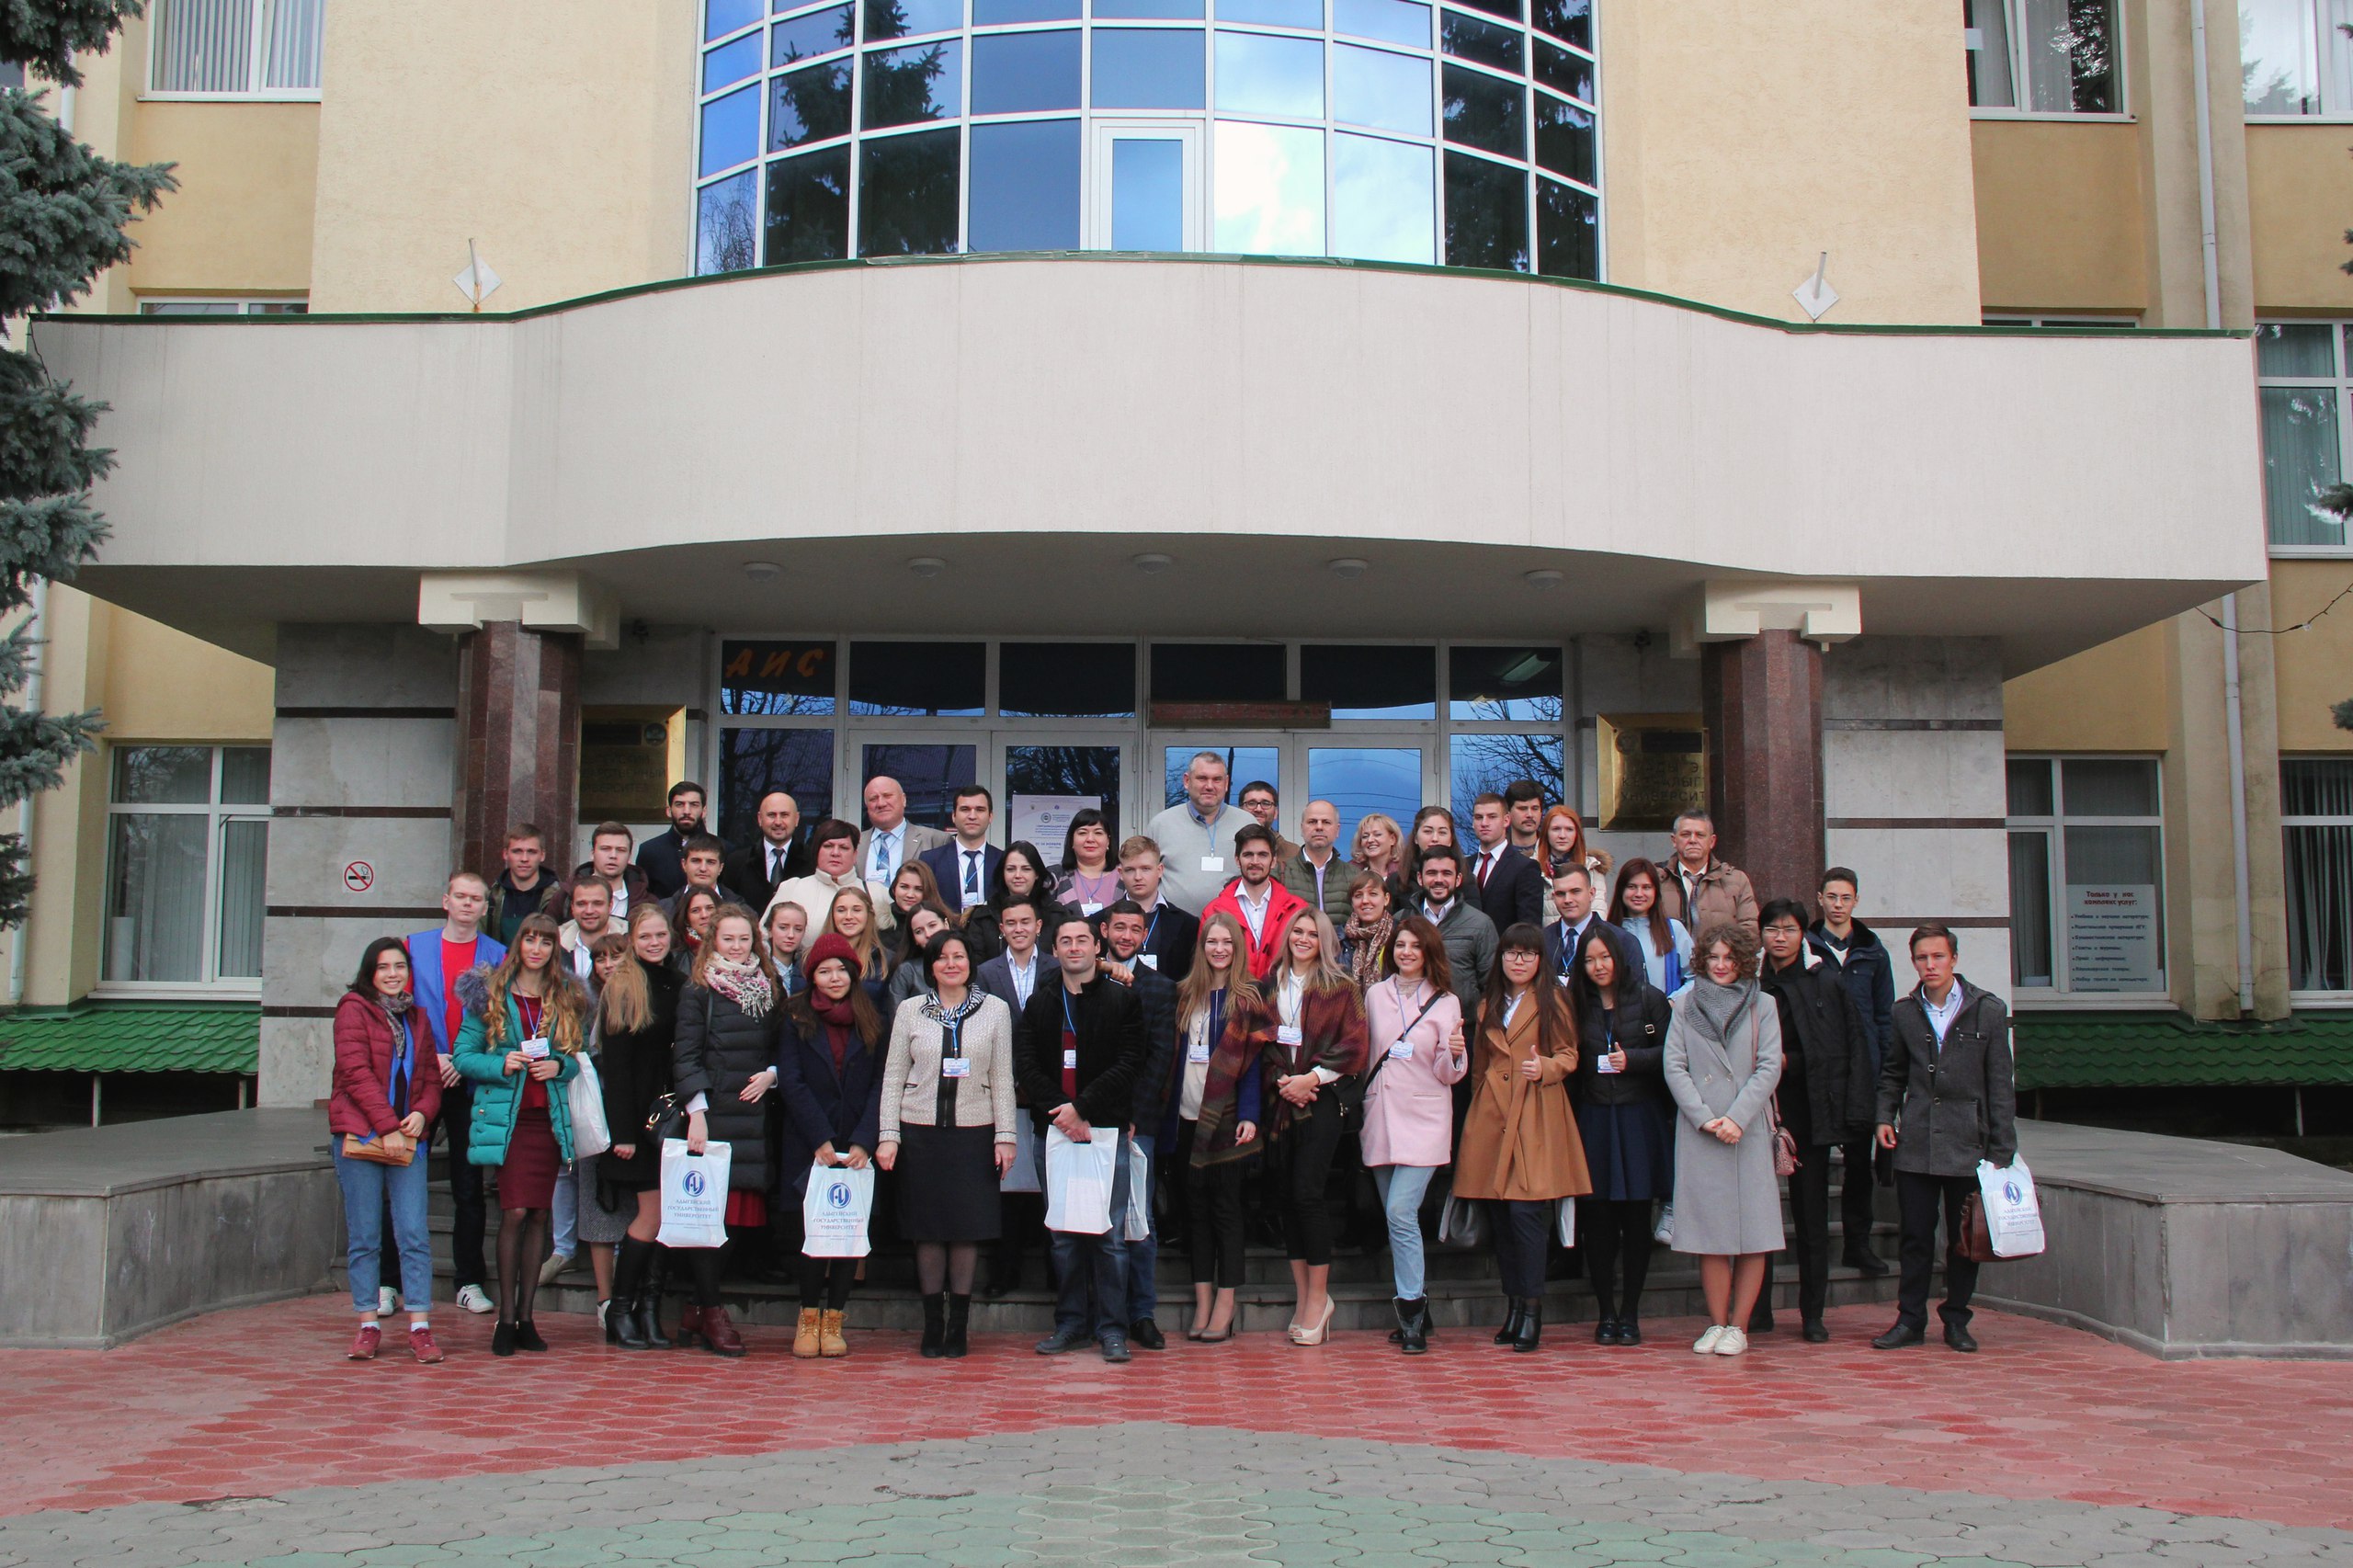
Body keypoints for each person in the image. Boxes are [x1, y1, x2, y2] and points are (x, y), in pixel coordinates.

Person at [1871, 925, 2017, 1355]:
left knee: (1964, 1237)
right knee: (1915, 1235)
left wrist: (2001, 1150)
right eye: (1921, 958)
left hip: (1968, 1141)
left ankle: (1956, 1318)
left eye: (1937, 957)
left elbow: (2000, 1084)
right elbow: (1893, 1072)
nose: (1930, 965)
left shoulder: (1987, 1009)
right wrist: (1884, 1116)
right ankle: (1910, 1319)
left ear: (1954, 959)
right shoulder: (1904, 1012)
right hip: (1916, 1139)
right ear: (1913, 962)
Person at [1015, 912, 1150, 1362]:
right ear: (1054, 951)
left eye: (1082, 940)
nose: (1074, 947)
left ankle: (1112, 1328)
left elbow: (1130, 1062)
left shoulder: (1122, 1001)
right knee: (1063, 1235)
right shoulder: (1041, 1003)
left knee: (1109, 1236)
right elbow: (1027, 1065)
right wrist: (1062, 1112)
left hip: (1105, 1131)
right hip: (1053, 1133)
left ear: (1098, 947)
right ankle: (1071, 1324)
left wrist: (1084, 1108)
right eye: (1065, 941)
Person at [451, 914, 587, 1357]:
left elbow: (576, 1055)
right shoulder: (489, 992)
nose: (537, 948)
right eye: (529, 939)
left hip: (547, 1120)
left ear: (554, 949)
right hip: (508, 1120)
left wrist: (560, 1067)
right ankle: (505, 1319)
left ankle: (528, 1318)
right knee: (513, 1211)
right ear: (518, 944)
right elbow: (463, 1055)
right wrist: (501, 1063)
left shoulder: (564, 995)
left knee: (540, 1216)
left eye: (545, 942)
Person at [879, 929, 1018, 1359]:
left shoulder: (994, 1010)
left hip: (975, 1132)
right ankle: (932, 1323)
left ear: (970, 963)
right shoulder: (910, 1010)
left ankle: (959, 1323)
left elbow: (1001, 1078)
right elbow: (892, 1077)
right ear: (931, 965)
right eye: (942, 958)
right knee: (928, 1229)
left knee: (965, 1229)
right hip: (920, 1131)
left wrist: (1006, 1136)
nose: (951, 964)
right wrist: (888, 1135)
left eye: (959, 956)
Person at [1454, 923, 1588, 1353]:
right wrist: (1477, 1108)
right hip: (1492, 1114)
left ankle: (1532, 1310)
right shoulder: (1489, 1002)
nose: (1518, 961)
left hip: (1534, 1111)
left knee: (1527, 1217)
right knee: (1501, 1221)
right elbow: (1479, 1065)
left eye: (1528, 954)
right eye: (1512, 953)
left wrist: (1545, 1069)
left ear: (1539, 959)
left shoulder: (1553, 998)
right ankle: (1513, 1306)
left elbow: (1570, 1054)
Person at [1757, 898, 1878, 1342]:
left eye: (1789, 929)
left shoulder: (1825, 982)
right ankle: (1758, 1309)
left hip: (1808, 1110)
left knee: (1810, 1219)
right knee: (1759, 1217)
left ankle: (1812, 1313)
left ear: (1802, 934)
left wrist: (1787, 1062)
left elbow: (1841, 1049)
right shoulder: (1751, 982)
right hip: (1757, 1113)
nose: (1780, 937)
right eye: (1772, 928)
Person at [1663, 923, 1784, 1358]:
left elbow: (1769, 1066)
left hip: (1747, 1128)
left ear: (1744, 961)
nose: (1721, 965)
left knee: (1754, 1231)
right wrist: (1704, 1118)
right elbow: (1673, 1065)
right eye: (1713, 957)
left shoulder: (1763, 1005)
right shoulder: (1684, 1004)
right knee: (1709, 1231)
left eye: (1730, 958)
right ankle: (1716, 1323)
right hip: (1702, 1132)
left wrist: (1737, 1117)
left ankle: (1740, 1326)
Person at [673, 903, 786, 1358]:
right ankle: (713, 1311)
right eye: (728, 940)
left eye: (744, 940)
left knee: (737, 1221)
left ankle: (697, 1308)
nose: (738, 948)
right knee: (709, 1221)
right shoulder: (698, 990)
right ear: (711, 942)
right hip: (713, 1117)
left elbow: (783, 1046)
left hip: (755, 1118)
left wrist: (773, 1074)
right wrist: (695, 1112)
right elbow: (685, 1056)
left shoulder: (768, 987)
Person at [329, 937, 443, 1363]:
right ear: (369, 972)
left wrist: (422, 1115)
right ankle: (368, 1325)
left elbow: (430, 1077)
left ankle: (420, 1327)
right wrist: (387, 1125)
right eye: (384, 967)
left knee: (413, 1232)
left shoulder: (417, 1016)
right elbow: (355, 1074)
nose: (393, 974)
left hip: (407, 1138)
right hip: (360, 1136)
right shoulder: (352, 1009)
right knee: (365, 1237)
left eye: (400, 966)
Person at [1358, 915, 1467, 1355]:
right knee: (1395, 1217)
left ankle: (1412, 1313)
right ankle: (1417, 1303)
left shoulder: (1446, 1002)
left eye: (1414, 946)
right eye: (1400, 945)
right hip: (1381, 1116)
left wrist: (1454, 1054)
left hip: (1424, 1118)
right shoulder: (1374, 995)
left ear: (1429, 952)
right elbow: (1366, 1053)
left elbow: (1447, 1073)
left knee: (1402, 1213)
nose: (1405, 952)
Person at [1260, 908, 1369, 1346]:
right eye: (1297, 932)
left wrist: (1312, 1079)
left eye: (1312, 933)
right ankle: (1305, 1298)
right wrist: (1284, 1082)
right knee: (1285, 1196)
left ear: (1325, 941)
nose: (1303, 939)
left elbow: (1355, 1045)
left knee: (1308, 1193)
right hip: (1280, 1098)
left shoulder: (1341, 986)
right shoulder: (1269, 984)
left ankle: (1321, 1297)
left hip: (1321, 1101)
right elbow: (1255, 1039)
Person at [775, 931, 886, 1359]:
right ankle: (807, 1316)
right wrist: (818, 1137)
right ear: (812, 976)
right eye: (825, 970)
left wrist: (864, 1139)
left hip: (856, 1141)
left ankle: (835, 1317)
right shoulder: (795, 1015)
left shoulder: (871, 1015)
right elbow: (792, 1079)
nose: (834, 977)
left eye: (841, 969)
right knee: (813, 1233)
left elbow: (882, 1082)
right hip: (810, 1141)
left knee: (848, 1233)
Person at [407, 873, 505, 1318]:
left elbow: (502, 1025)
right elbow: (401, 1011)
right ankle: (391, 1281)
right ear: (445, 900)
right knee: (403, 1178)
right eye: (460, 896)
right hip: (420, 1078)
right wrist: (435, 1058)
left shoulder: (498, 956)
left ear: (486, 907)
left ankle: (469, 1281)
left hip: (470, 1082)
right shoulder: (412, 948)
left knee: (469, 1187)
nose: (467, 904)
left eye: (476, 899)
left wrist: (459, 1059)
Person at [1572, 924, 1675, 1346]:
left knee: (1635, 1220)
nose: (1598, 966)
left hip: (1637, 1117)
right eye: (1590, 959)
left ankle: (1630, 1312)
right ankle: (1606, 1312)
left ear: (1620, 958)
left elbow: (1673, 1054)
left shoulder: (1649, 999)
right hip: (1593, 1117)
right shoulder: (1574, 1003)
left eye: (1605, 958)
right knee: (1597, 1221)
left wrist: (1633, 1059)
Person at [1173, 912, 1266, 1342]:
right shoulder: (1185, 995)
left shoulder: (1248, 998)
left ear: (1238, 947)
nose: (1219, 949)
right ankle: (1203, 1299)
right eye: (1212, 941)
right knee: (1195, 1214)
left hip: (1226, 1120)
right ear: (1202, 947)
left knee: (1226, 1211)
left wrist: (1250, 1114)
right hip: (1187, 1119)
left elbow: (1253, 1066)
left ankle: (1226, 1303)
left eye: (1227, 942)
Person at [597, 904, 685, 1351]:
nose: (654, 942)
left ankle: (648, 1312)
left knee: (668, 1217)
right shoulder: (623, 986)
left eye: (660, 935)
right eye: (645, 936)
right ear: (632, 939)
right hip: (638, 1122)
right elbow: (616, 1068)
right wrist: (623, 1134)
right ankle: (619, 1308)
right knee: (650, 1216)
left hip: (672, 1120)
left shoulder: (677, 980)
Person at [1100, 899, 1181, 1350]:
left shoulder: (1160, 987)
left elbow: (1159, 1061)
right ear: (1105, 930)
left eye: (1135, 929)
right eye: (1119, 928)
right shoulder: (1084, 980)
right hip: (1090, 1123)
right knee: (1098, 1222)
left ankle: (1142, 1313)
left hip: (1137, 1123)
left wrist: (1132, 1116)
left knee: (1139, 1220)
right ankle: (1103, 1313)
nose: (1127, 936)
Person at [1809, 867, 1894, 1275]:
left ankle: (1857, 1245)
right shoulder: (1806, 948)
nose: (1838, 905)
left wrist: (1884, 1070)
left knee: (1860, 1164)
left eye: (1846, 898)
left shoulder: (1873, 952)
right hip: (1820, 1072)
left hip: (1863, 1073)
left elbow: (1884, 1016)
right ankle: (1816, 1249)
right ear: (1820, 899)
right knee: (1815, 1163)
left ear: (1856, 900)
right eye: (1832, 897)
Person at [974, 892, 1051, 1296]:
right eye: (1011, 923)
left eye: (1026, 922)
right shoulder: (985, 973)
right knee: (1005, 1188)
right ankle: (1004, 1275)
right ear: (1001, 930)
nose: (1019, 929)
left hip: (1047, 1096)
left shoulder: (1056, 968)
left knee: (1050, 1187)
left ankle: (1058, 1277)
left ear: (1039, 926)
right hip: (999, 1093)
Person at [1202, 823, 1310, 981]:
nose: (1255, 861)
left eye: (1262, 855)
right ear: (1237, 860)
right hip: (1232, 999)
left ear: (1273, 861)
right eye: (1248, 855)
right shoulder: (1213, 911)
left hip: (1281, 998)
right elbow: (1204, 967)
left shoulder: (1297, 909)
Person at [1143, 751, 1247, 914]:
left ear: (1226, 784)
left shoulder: (1246, 824)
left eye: (1217, 779)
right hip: (1174, 931)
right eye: (1202, 778)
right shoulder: (1161, 824)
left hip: (1230, 931)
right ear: (1186, 781)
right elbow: (1143, 878)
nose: (1209, 786)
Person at [1414, 846, 1498, 1016]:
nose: (1439, 880)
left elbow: (1493, 984)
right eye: (1431, 873)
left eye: (1446, 873)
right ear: (1420, 878)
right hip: (1410, 1028)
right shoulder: (1403, 921)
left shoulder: (1480, 924)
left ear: (1458, 879)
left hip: (1463, 1028)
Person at [769, 818, 890, 936]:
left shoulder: (876, 892)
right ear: (817, 851)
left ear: (855, 855)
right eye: (828, 846)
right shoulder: (792, 888)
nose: (835, 853)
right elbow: (763, 936)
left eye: (844, 847)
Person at [1546, 865, 1644, 1005]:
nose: (1568, 899)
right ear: (1553, 897)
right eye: (1561, 894)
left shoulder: (1622, 940)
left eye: (1575, 891)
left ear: (1591, 894)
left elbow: (1637, 996)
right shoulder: (1542, 940)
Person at [1656, 811, 1760, 943]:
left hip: (1720, 962)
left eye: (1700, 835)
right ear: (1674, 840)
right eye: (1686, 834)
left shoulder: (1736, 880)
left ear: (1712, 841)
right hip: (1669, 962)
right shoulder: (1657, 878)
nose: (1693, 840)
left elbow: (1750, 929)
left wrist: (1722, 956)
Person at [960, 839, 1060, 963]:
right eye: (1011, 869)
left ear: (1037, 874)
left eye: (1026, 869)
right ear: (1003, 873)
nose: (1018, 875)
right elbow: (976, 965)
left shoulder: (1057, 914)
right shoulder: (983, 917)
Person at [1116, 835, 1199, 981]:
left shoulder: (1188, 925)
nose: (1138, 877)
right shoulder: (1099, 921)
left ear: (1160, 870)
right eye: (1130, 870)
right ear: (1120, 873)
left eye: (1146, 869)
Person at [1610, 858, 1694, 995]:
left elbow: (1695, 977)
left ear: (1656, 892)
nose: (1639, 894)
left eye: (1646, 887)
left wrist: (1672, 1001)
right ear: (1621, 890)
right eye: (1631, 887)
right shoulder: (1607, 932)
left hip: (1665, 1015)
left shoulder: (1673, 930)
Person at [918, 784, 1004, 916]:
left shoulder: (1003, 861)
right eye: (965, 809)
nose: (972, 816)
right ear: (953, 816)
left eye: (980, 809)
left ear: (990, 816)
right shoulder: (930, 860)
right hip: (945, 934)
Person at [1464, 793, 1544, 929]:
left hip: (1505, 948)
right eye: (1479, 817)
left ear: (1506, 820)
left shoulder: (1525, 867)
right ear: (1473, 822)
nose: (1484, 823)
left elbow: (1529, 927)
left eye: (1492, 817)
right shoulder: (1464, 865)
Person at [724, 791, 808, 913]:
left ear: (796, 819)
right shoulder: (736, 862)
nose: (778, 822)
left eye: (784, 815)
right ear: (760, 819)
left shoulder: (812, 861)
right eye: (771, 815)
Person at [858, 775, 949, 885]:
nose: (881, 803)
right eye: (873, 799)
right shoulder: (855, 843)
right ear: (867, 806)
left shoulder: (936, 840)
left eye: (887, 796)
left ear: (903, 800)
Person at [1278, 799, 1353, 928]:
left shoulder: (1354, 876)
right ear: (1302, 828)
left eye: (1326, 822)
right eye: (1312, 822)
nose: (1319, 827)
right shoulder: (1280, 873)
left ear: (1337, 830)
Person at [638, 780, 712, 900]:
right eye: (679, 804)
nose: (687, 811)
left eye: (694, 804)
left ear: (704, 811)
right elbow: (644, 898)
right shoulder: (649, 851)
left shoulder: (723, 849)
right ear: (669, 810)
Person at [487, 824, 556, 946]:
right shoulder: (492, 897)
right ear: (505, 854)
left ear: (542, 855)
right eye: (517, 851)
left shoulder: (558, 897)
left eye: (531, 852)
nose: (524, 859)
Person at [665, 833, 751, 930]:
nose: (703, 868)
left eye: (710, 862)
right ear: (684, 864)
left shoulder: (742, 911)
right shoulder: (665, 909)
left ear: (720, 868)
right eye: (696, 861)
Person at [572, 821, 650, 923]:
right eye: (605, 849)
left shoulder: (647, 903)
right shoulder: (565, 897)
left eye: (621, 850)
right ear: (592, 853)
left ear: (629, 857)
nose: (613, 855)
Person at [884, 903, 955, 1011]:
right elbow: (898, 1018)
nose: (928, 934)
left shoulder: (966, 963)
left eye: (932, 925)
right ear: (914, 939)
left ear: (946, 924)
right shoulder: (907, 971)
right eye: (919, 931)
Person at [1051, 807, 1122, 915]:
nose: (1090, 839)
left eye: (1098, 833)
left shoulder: (1124, 875)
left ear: (1108, 841)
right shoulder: (1055, 877)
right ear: (1072, 841)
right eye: (1082, 833)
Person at [827, 884, 890, 999]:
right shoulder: (810, 958)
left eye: (856, 910)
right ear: (832, 915)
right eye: (841, 910)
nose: (848, 916)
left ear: (868, 914)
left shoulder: (886, 960)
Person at [1536, 803, 1611, 895]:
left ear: (1577, 833)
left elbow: (1598, 908)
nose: (1562, 836)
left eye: (1569, 829)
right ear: (1546, 832)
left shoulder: (1592, 867)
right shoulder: (1531, 868)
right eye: (1556, 829)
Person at [1338, 871, 1395, 990]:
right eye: (1358, 895)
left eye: (1373, 894)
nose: (1365, 901)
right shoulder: (1339, 938)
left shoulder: (1399, 935)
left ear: (1386, 899)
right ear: (1352, 902)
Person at [558, 874, 613, 984]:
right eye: (581, 904)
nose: (589, 911)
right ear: (572, 907)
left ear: (610, 906)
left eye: (597, 903)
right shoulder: (555, 947)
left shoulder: (630, 945)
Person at [1401, 805, 1461, 894]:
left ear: (1451, 839)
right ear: (1416, 838)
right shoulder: (1398, 880)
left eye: (1442, 832)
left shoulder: (1467, 880)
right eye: (1428, 831)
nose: (1435, 838)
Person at [1236, 778, 1302, 862]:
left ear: (1276, 813)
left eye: (1266, 804)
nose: (1258, 809)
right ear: (1240, 811)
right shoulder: (1226, 847)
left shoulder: (1293, 853)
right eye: (1251, 803)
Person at [1351, 812, 1406, 903]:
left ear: (1392, 839)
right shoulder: (1351, 873)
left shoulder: (1404, 874)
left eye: (1377, 835)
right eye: (1365, 836)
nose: (1370, 840)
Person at [765, 900, 810, 995]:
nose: (791, 935)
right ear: (770, 929)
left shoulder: (809, 969)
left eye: (798, 929)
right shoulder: (757, 968)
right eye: (783, 928)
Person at [885, 858, 943, 934]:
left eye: (919, 889)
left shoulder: (945, 927)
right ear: (894, 889)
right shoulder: (877, 926)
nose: (910, 895)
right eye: (904, 887)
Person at [673, 887, 719, 973]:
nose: (704, 915)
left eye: (710, 908)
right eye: (695, 910)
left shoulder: (736, 946)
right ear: (686, 919)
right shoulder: (677, 958)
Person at [1503, 778, 1549, 857]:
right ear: (1508, 812)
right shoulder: (1496, 853)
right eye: (1522, 808)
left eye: (1535, 808)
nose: (1530, 815)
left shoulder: (1553, 853)